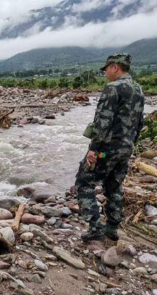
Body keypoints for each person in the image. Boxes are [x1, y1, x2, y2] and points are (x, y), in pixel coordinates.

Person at [75, 53, 144, 243]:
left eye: (106, 69)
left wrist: (94, 149)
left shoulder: (113, 88)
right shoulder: (138, 89)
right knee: (114, 186)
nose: (106, 74)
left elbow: (103, 121)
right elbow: (140, 122)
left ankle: (95, 227)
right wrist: (130, 144)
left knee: (84, 183)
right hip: (126, 148)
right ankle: (112, 228)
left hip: (107, 149)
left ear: (114, 67)